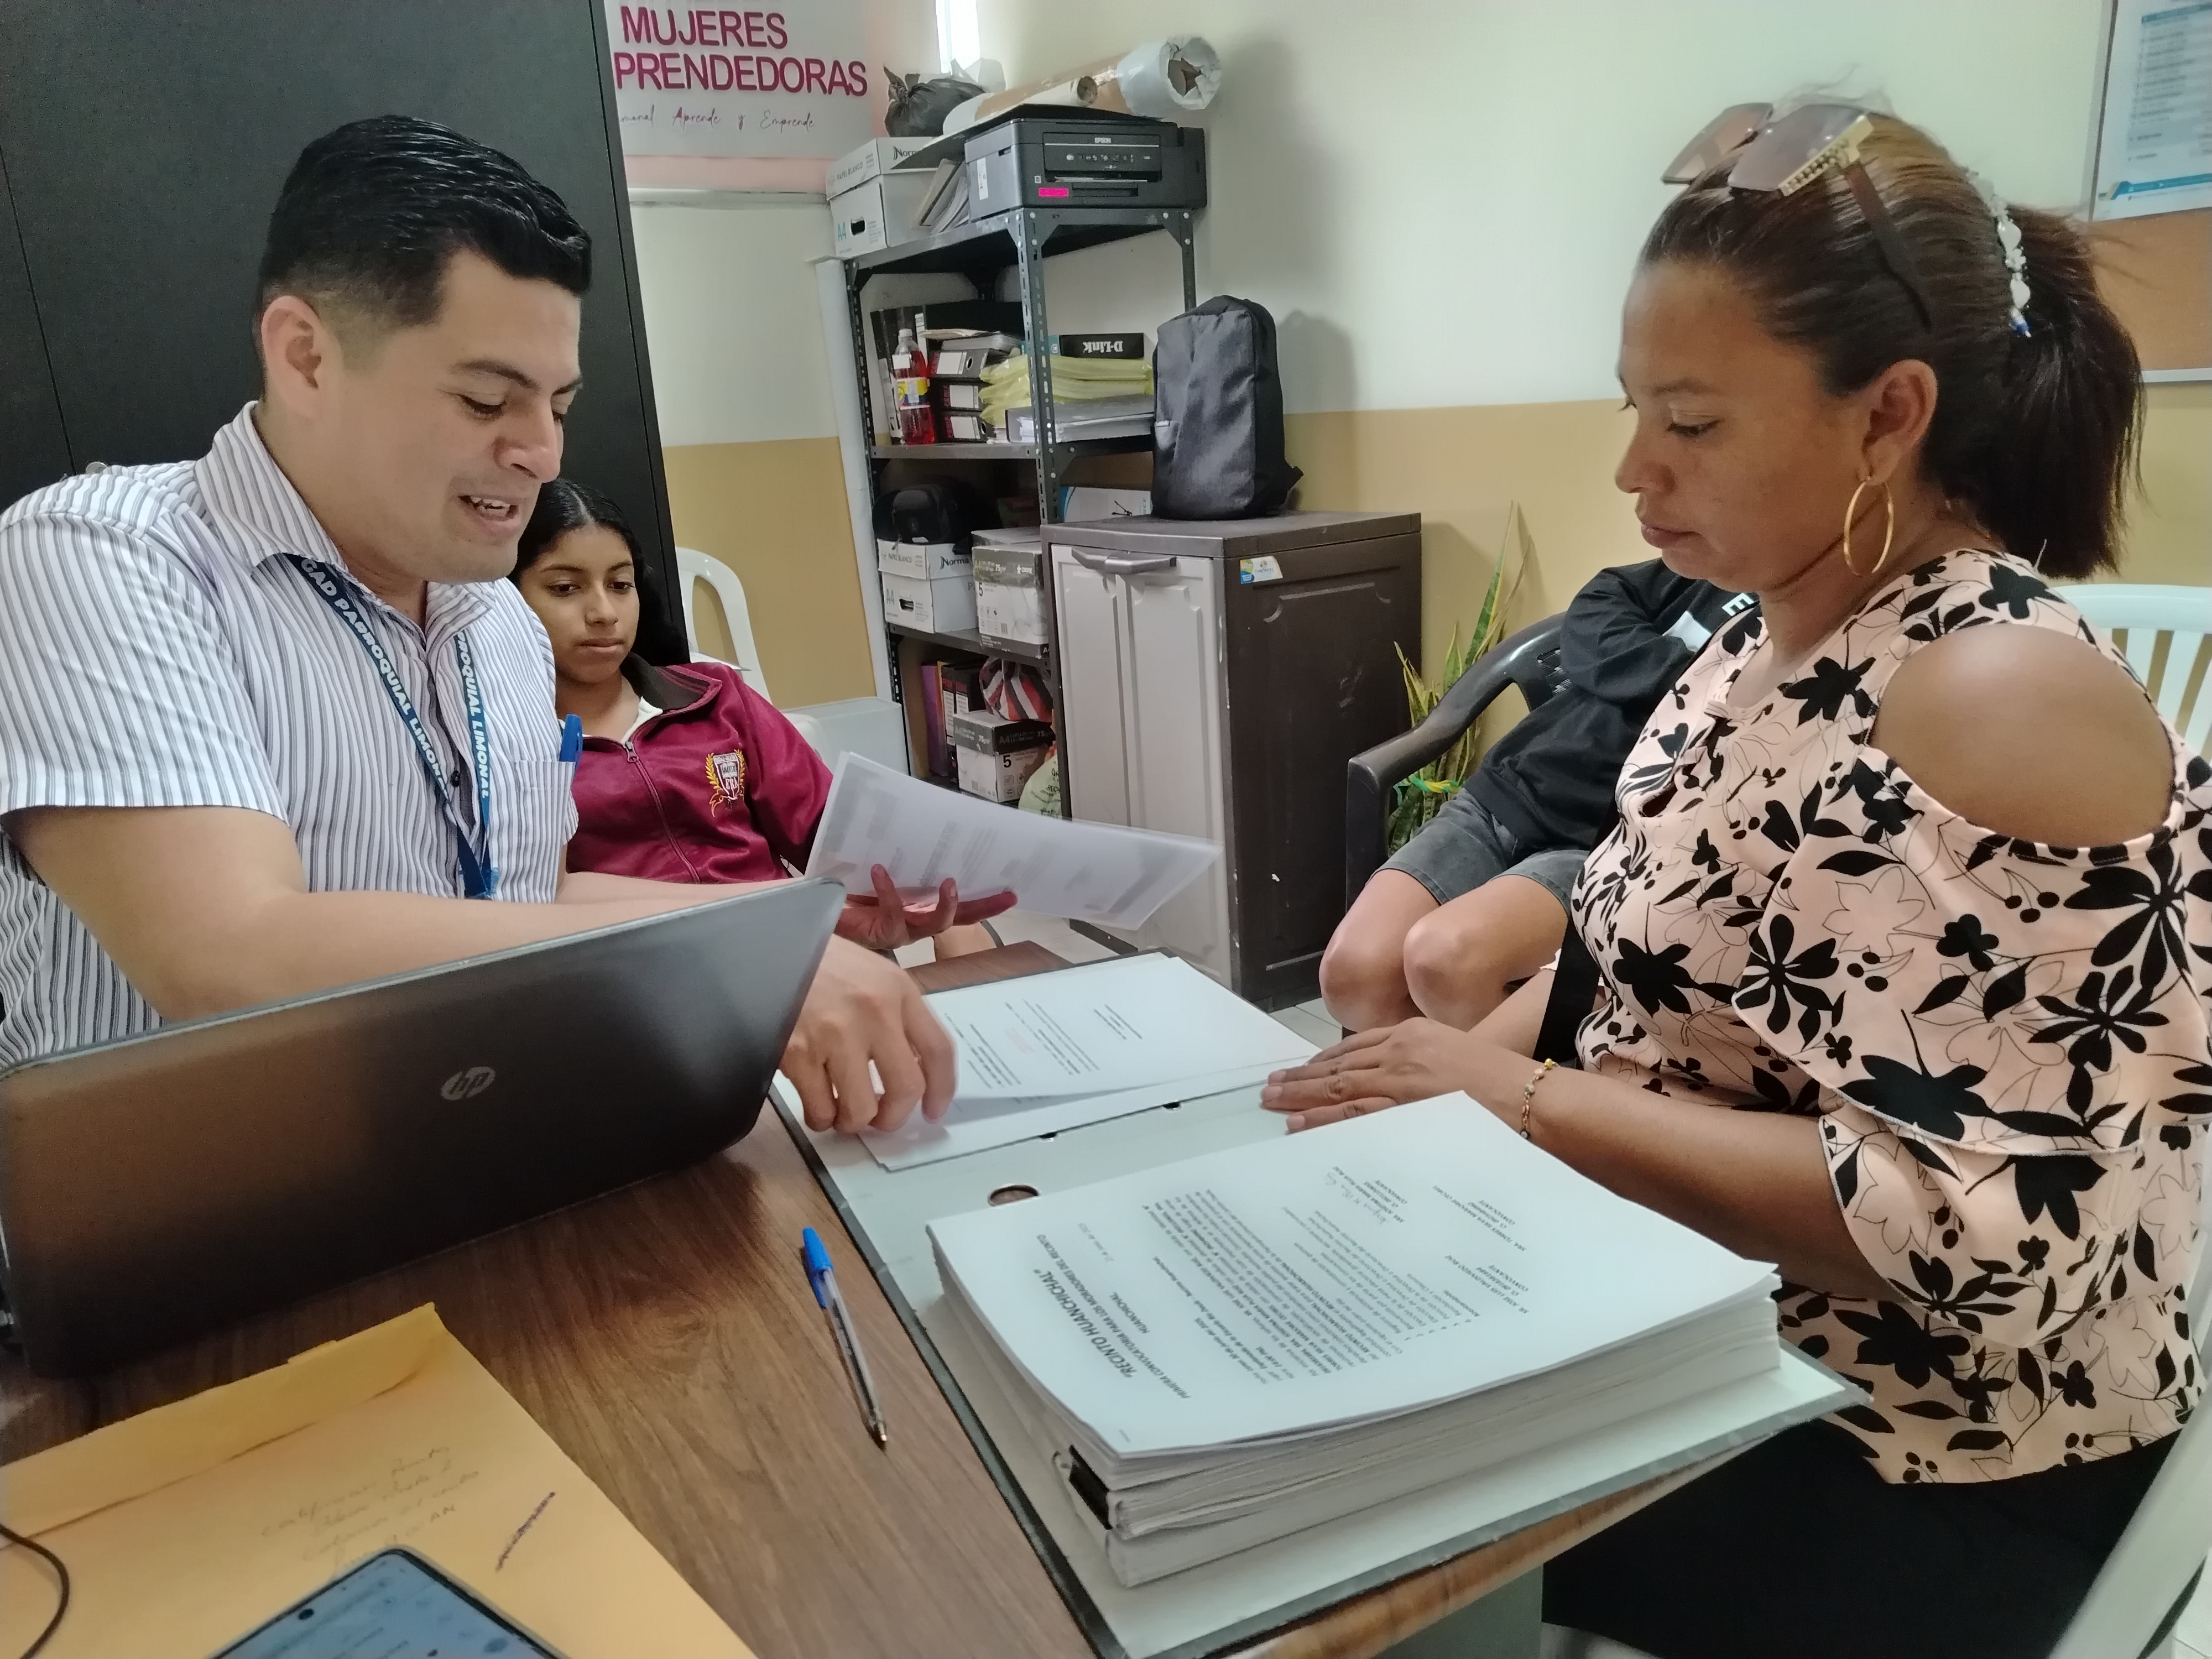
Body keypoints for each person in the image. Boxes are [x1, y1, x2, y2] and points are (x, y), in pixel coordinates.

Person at [1263, 103, 2208, 1658]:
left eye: (1692, 424)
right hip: (1704, 1318)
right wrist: (1400, 1102)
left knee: (1318, 1530)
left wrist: (1515, 1105)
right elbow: (1618, 972)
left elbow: (1982, 1231)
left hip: (1917, 1448)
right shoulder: (1754, 641)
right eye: (1635, 408)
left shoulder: (1996, 693)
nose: (1633, 469)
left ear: (1887, 415)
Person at [0, 115, 951, 1139]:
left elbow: (521, 907)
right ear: (307, 357)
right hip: (202, 1194)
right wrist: (740, 956)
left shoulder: (494, 615)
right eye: (487, 399)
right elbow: (231, 954)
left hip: (463, 1143)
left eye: (558, 405)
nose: (542, 454)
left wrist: (787, 922)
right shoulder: (104, 556)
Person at [508, 477, 1007, 954]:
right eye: (566, 588)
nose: (604, 612)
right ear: (505, 599)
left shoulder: (714, 698)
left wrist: (935, 903)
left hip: (784, 943)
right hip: (638, 971)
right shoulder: (506, 745)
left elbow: (830, 829)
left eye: (620, 584)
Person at [1321, 562, 1752, 1032]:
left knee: (1444, 961)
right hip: (1507, 793)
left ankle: (1501, 1075)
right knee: (1352, 976)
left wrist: (1626, 671)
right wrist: (1680, 677)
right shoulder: (1715, 566)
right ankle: (1444, 1073)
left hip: (1605, 842)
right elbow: (1598, 601)